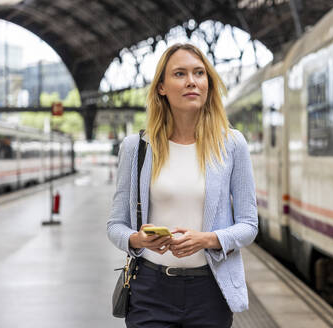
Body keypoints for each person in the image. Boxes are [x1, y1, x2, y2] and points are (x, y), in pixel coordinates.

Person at [107, 43, 258, 328]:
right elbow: (115, 225)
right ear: (161, 87)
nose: (192, 81)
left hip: (211, 292)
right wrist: (138, 240)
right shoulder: (137, 147)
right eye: (180, 74)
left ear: (208, 83)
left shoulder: (232, 144)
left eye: (199, 73)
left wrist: (208, 239)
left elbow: (249, 225)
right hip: (150, 290)